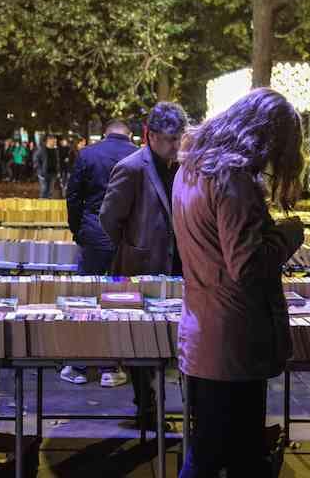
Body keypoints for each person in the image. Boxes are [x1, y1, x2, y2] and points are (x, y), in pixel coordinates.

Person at [173, 88, 305, 477]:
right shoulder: (232, 180)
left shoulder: (192, 169)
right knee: (218, 453)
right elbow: (246, 265)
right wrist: (288, 235)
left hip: (203, 330)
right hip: (234, 337)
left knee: (216, 448)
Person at [100, 102, 187, 414]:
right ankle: (146, 404)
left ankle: (165, 401)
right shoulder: (132, 167)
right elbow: (109, 218)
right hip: (142, 265)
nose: (176, 146)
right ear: (150, 135)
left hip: (180, 264)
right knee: (142, 341)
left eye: (180, 138)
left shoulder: (184, 167)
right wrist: (134, 245)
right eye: (169, 139)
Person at [61, 120, 136, 385]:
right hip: (127, 238)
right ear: (129, 135)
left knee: (85, 299)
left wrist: (78, 230)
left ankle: (79, 365)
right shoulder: (139, 157)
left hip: (93, 235)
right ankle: (111, 367)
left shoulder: (88, 154)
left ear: (106, 133)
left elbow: (73, 197)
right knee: (118, 300)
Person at [34, 134, 60, 199]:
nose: (55, 143)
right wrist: (39, 170)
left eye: (55, 142)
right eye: (54, 141)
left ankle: (48, 206)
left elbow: (57, 161)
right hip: (43, 173)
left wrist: (58, 171)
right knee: (44, 189)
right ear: (49, 140)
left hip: (53, 173)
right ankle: (42, 205)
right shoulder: (42, 149)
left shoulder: (56, 150)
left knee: (50, 191)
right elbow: (36, 159)